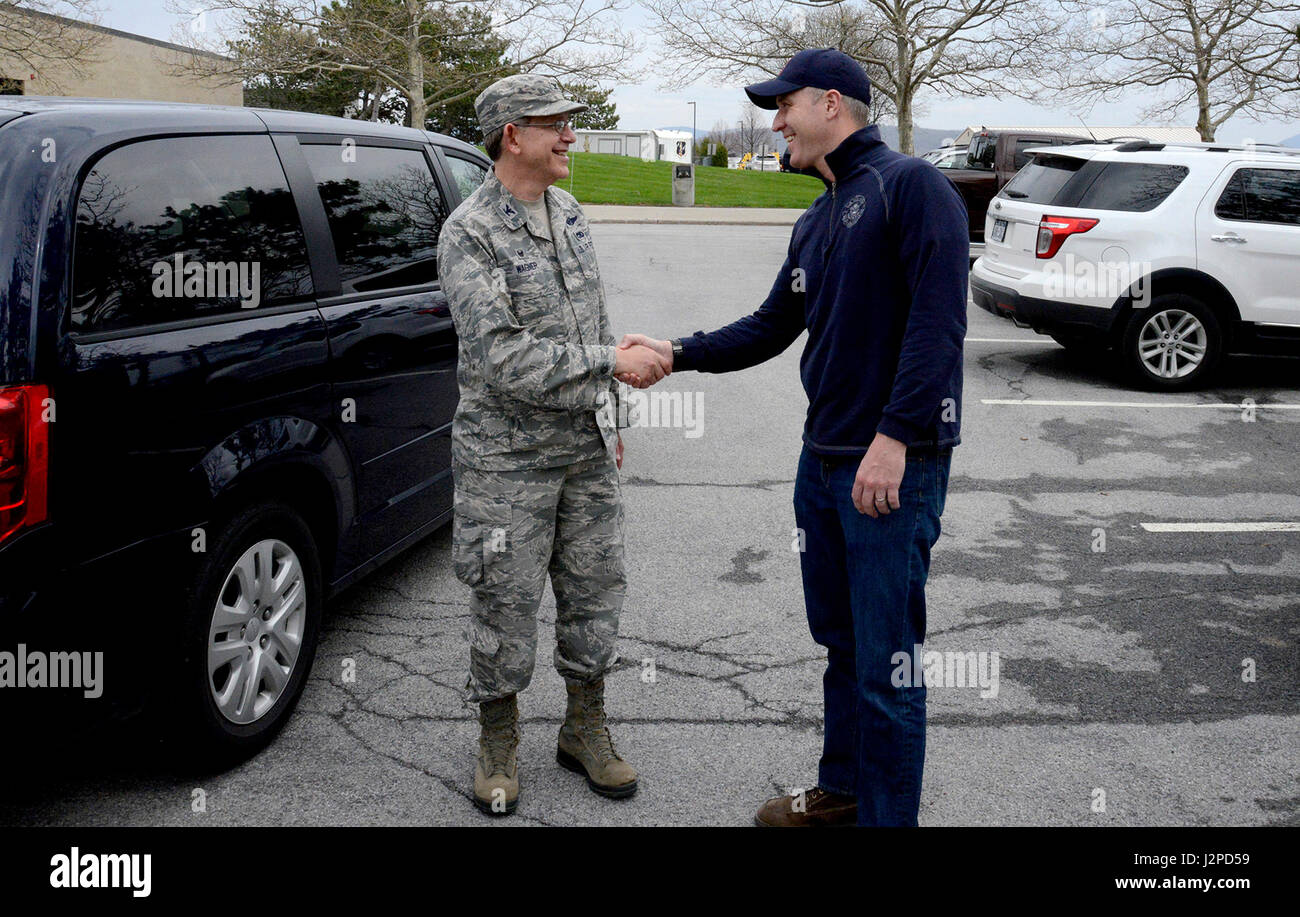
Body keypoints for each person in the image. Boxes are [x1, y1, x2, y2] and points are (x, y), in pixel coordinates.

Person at [620, 49, 968, 827]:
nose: (775, 121)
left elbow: (938, 324)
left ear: (833, 104)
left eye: (785, 106)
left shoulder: (912, 188)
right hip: (824, 461)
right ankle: (843, 792)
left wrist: (896, 438)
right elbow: (775, 323)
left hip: (889, 466)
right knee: (843, 644)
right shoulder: (817, 217)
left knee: (887, 664)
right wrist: (676, 352)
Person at [437, 73, 670, 816]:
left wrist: (608, 415)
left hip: (584, 449)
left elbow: (587, 321)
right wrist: (611, 365)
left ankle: (584, 726)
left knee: (595, 590)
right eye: (556, 125)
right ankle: (498, 740)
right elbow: (506, 357)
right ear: (513, 135)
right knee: (505, 602)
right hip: (505, 461)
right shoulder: (469, 232)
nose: (571, 136)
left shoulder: (568, 212)